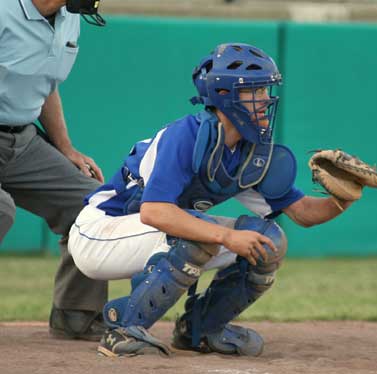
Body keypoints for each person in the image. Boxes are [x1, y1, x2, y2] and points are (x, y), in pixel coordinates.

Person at [68, 42, 354, 357]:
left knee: (269, 240)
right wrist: (227, 236)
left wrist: (343, 197)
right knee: (197, 235)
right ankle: (122, 330)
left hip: (148, 236)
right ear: (225, 96)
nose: (265, 100)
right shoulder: (186, 135)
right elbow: (154, 212)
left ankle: (200, 329)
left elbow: (303, 213)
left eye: (265, 92)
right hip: (99, 233)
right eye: (255, 92)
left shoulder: (248, 152)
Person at [0, 0, 108, 340]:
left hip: (22, 140)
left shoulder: (68, 19)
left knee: (93, 204)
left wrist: (66, 148)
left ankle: (76, 312)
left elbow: (47, 84)